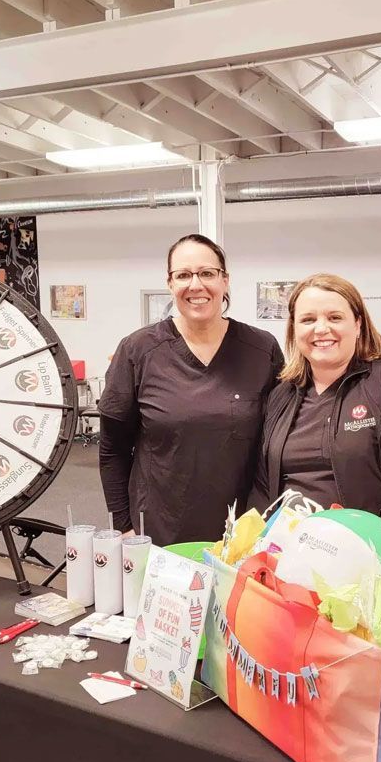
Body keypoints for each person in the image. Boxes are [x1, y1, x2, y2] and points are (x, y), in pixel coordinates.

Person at [99, 233, 284, 546]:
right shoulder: (138, 350)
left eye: (207, 273)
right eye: (183, 275)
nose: (196, 285)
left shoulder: (261, 348)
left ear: (225, 281)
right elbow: (113, 449)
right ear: (170, 284)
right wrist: (123, 525)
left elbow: (280, 439)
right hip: (158, 528)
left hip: (241, 532)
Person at [249, 274, 381, 520]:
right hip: (290, 550)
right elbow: (263, 487)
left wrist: (378, 533)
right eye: (308, 319)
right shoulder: (281, 396)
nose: (321, 328)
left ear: (358, 324)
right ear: (294, 329)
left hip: (371, 549)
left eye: (335, 317)